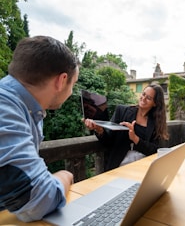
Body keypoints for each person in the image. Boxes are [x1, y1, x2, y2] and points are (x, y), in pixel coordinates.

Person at [0, 36, 78, 222]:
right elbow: (37, 200)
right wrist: (64, 175)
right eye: (73, 85)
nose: (72, 92)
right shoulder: (4, 107)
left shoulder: (27, 108)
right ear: (61, 80)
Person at [84, 84, 169, 170]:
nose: (143, 98)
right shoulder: (122, 111)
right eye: (143, 94)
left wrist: (135, 138)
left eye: (149, 98)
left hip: (144, 167)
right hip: (120, 165)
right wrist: (99, 130)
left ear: (155, 103)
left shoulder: (156, 122)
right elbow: (108, 141)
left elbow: (154, 150)